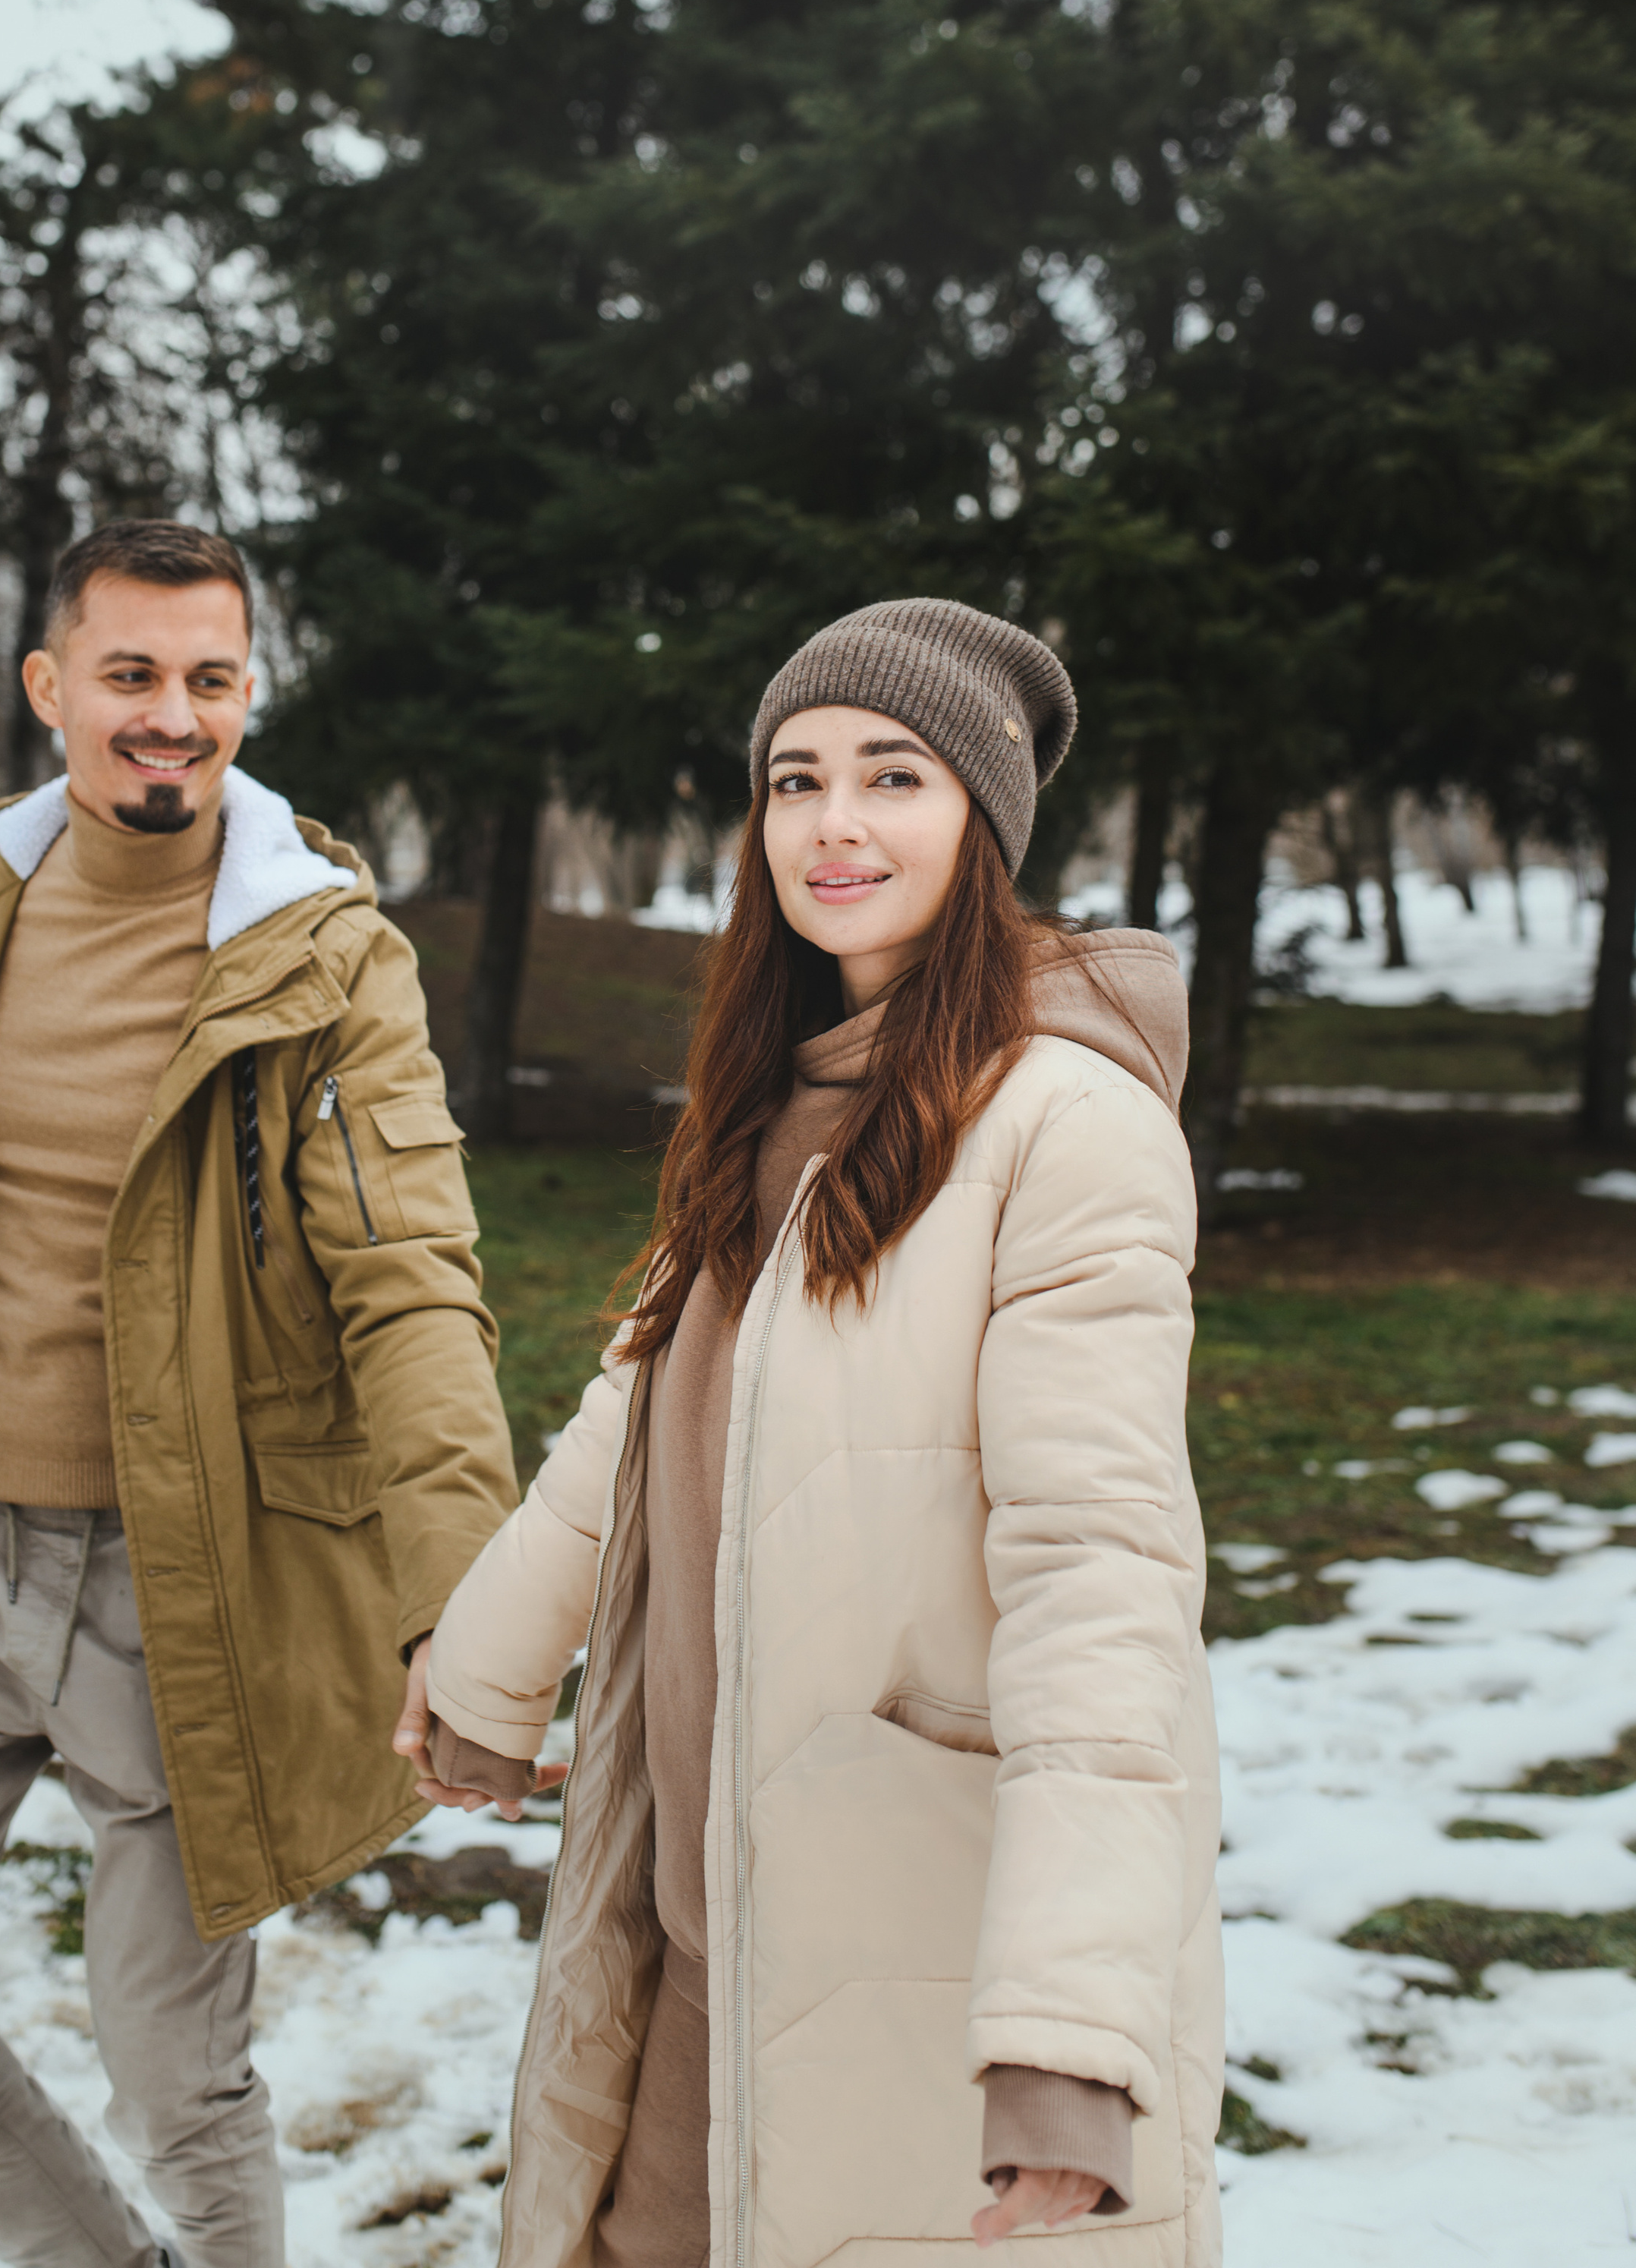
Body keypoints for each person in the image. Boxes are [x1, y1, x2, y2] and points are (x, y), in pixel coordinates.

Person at [393, 597, 1224, 2266]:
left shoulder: (1067, 1128)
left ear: (979, 821)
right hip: (701, 1942)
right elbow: (631, 1422)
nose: (832, 823)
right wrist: (482, 1678)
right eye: (793, 779)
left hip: (913, 1967)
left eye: (892, 776)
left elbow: (1100, 1582)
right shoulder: (771, 1098)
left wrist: (1068, 2039)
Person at [0, 518, 520, 2268]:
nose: (169, 715)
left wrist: (461, 1600)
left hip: (186, 1577)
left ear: (247, 694)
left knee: (174, 2069)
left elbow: (411, 1283)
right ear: (51, 689)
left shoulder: (326, 961)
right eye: (130, 675)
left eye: (208, 678)